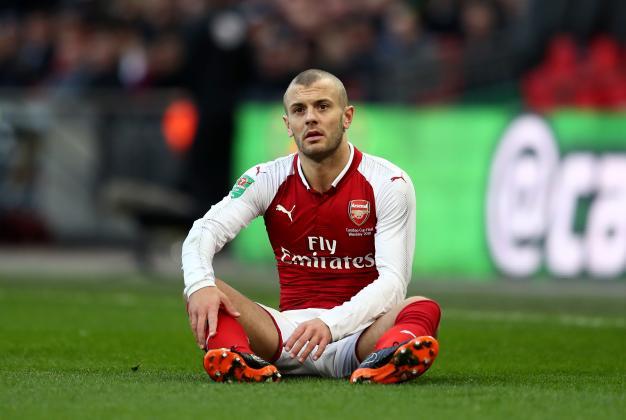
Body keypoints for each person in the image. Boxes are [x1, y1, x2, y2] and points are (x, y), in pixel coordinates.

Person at [182, 69, 441, 384]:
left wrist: (330, 324)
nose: (310, 119)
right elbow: (204, 231)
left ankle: (383, 360)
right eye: (299, 110)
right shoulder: (266, 178)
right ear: (287, 124)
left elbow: (393, 283)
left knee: (422, 307)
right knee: (205, 289)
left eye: (322, 106)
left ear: (347, 117)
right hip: (285, 337)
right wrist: (200, 285)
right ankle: (239, 359)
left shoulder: (388, 182)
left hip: (357, 337)